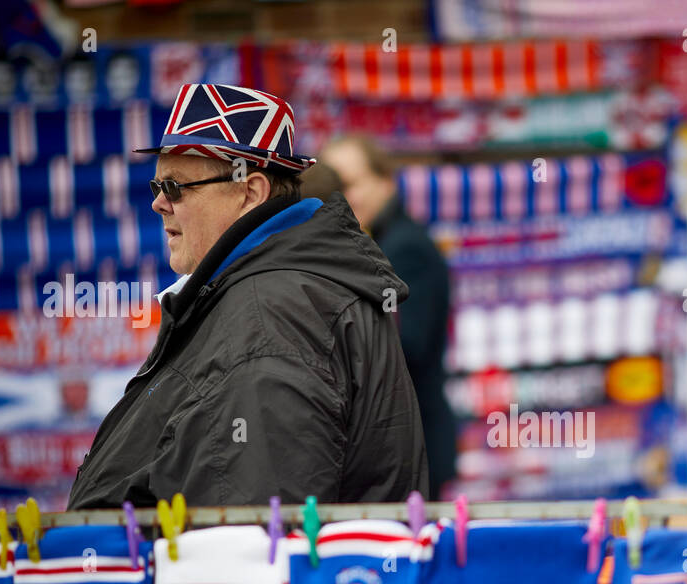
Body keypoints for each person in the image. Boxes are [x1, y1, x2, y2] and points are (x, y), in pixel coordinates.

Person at [66, 83, 427, 509]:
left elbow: (255, 541)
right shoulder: (271, 292)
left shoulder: (270, 315)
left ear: (250, 193)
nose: (159, 204)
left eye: (177, 187)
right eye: (157, 186)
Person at [323, 134, 457, 499]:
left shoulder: (402, 247)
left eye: (349, 184)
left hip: (414, 447)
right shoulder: (378, 243)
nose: (340, 198)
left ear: (385, 181)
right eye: (333, 188)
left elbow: (404, 346)